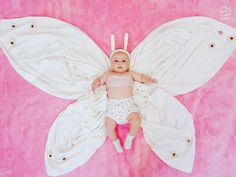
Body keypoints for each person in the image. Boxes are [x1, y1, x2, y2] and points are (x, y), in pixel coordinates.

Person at [92, 49, 157, 153]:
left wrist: (149, 80)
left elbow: (140, 77)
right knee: (108, 126)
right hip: (112, 108)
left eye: (123, 61)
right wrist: (95, 83)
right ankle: (115, 142)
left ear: (129, 63)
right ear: (110, 63)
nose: (120, 63)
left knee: (136, 121)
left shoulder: (130, 74)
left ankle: (130, 138)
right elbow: (99, 80)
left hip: (128, 107)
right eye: (116, 61)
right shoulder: (108, 74)